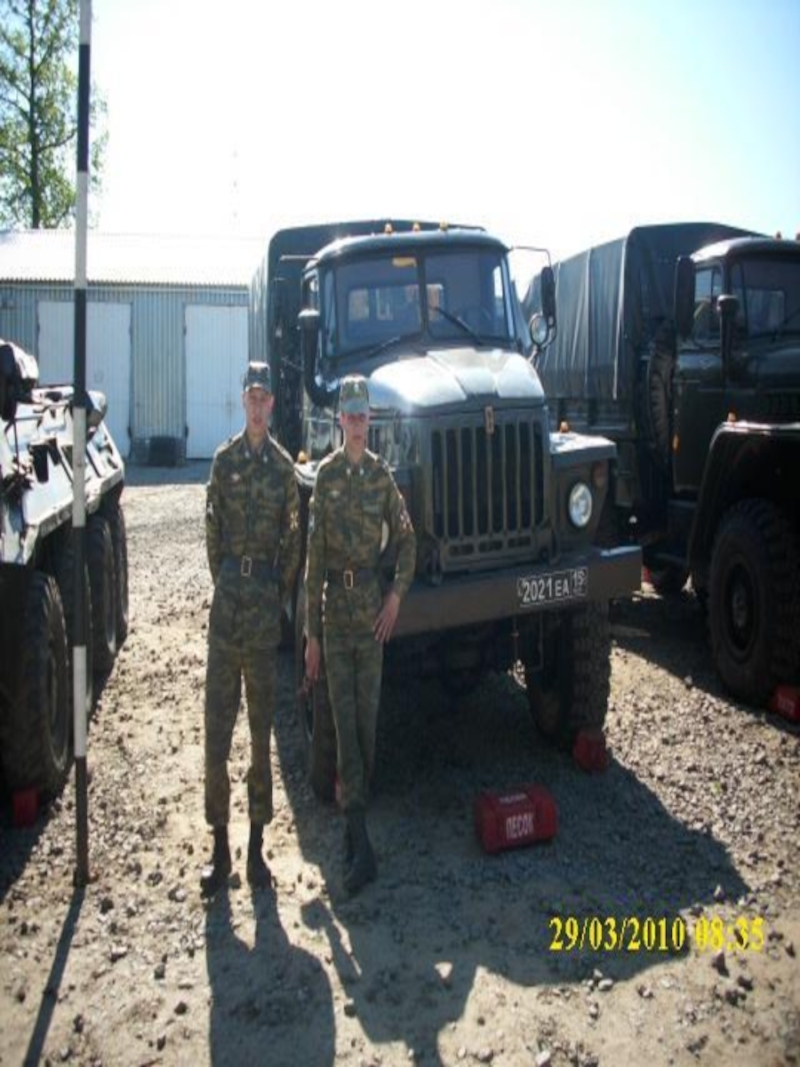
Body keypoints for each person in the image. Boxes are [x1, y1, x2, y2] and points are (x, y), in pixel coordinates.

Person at [304, 374, 416, 896]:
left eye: (361, 415)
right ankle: (359, 840)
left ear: (370, 420)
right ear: (339, 420)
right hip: (336, 618)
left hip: (371, 616)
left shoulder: (380, 477)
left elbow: (408, 541)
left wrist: (396, 597)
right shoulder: (325, 477)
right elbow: (314, 563)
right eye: (348, 415)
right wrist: (311, 634)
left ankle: (356, 829)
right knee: (343, 721)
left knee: (366, 726)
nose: (354, 423)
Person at [201, 361, 300, 896]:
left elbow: (293, 541)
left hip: (262, 616)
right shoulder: (224, 462)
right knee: (217, 735)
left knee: (261, 738)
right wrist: (228, 580)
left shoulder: (284, 469)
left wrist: (274, 592)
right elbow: (211, 530)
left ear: (272, 404)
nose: (258, 406)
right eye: (251, 397)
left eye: (265, 398)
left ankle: (257, 849)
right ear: (242, 402)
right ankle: (220, 850)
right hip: (226, 616)